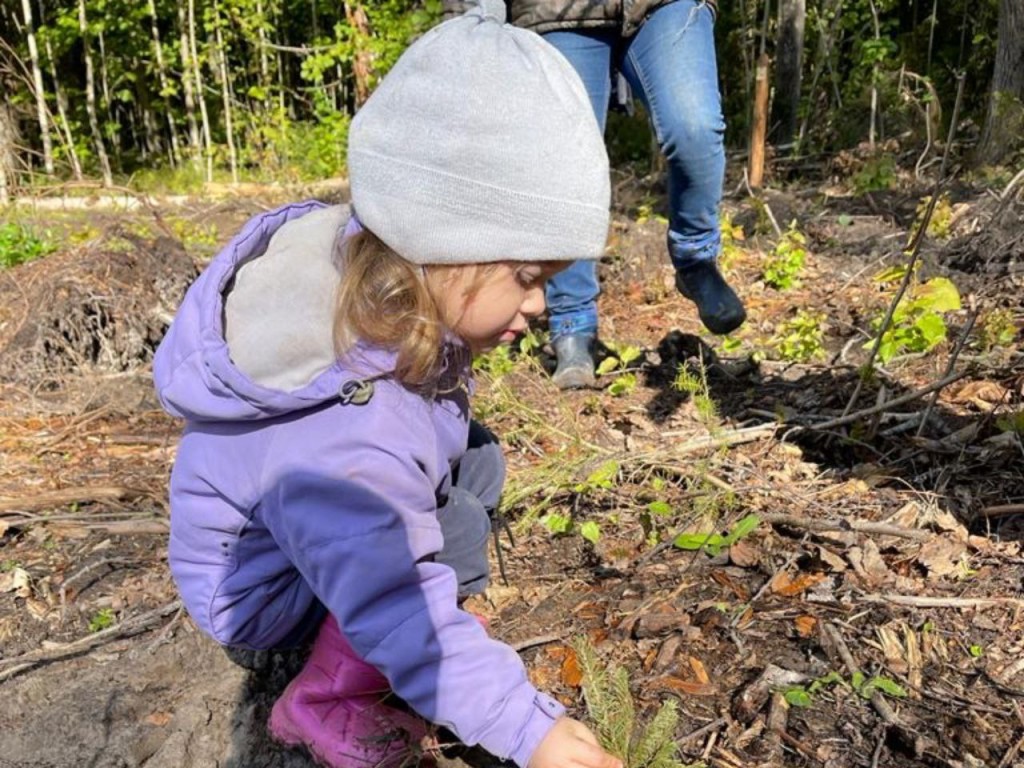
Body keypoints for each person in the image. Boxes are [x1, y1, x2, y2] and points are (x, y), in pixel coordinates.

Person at [152, 3, 623, 768]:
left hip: (291, 532)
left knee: (477, 462)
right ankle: (322, 696)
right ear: (442, 247)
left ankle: (362, 617)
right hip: (256, 600)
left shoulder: (375, 283)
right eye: (529, 277)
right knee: (455, 532)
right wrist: (528, 730)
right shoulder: (352, 429)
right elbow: (398, 602)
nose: (540, 307)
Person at [444, 0, 746, 388]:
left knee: (694, 127)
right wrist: (464, 22)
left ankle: (695, 260)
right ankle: (573, 322)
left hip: (666, 7)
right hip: (557, 11)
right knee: (567, 155)